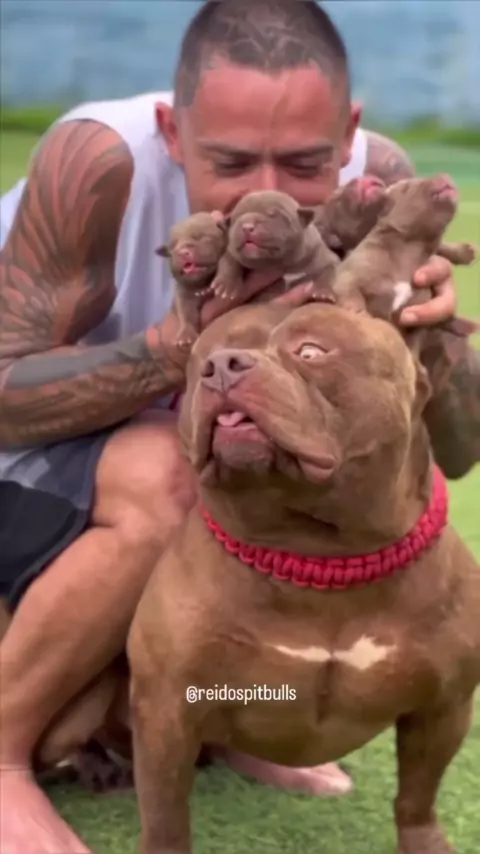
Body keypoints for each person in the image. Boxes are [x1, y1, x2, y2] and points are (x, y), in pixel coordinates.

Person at [0, 1, 478, 852]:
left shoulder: (376, 192)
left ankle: (237, 710)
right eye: (229, 162)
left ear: (348, 137)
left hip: (192, 446)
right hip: (34, 448)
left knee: (327, 473)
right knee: (174, 466)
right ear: (172, 133)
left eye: (304, 162)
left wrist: (433, 338)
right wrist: (180, 349)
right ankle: (4, 757)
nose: (269, 191)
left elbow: (458, 454)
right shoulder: (98, 163)